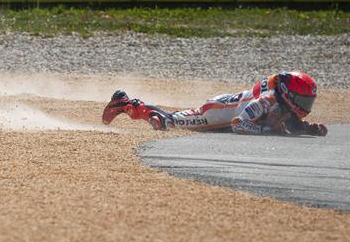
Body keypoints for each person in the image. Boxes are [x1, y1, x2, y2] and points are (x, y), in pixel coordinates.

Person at [101, 71, 327, 136]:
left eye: (309, 100)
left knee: (167, 122)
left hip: (225, 105)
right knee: (165, 123)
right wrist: (267, 130)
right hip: (216, 113)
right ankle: (125, 102)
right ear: (287, 93)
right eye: (303, 99)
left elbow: (288, 121)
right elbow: (239, 124)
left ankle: (128, 103)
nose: (305, 105)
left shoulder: (282, 103)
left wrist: (307, 129)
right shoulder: (266, 101)